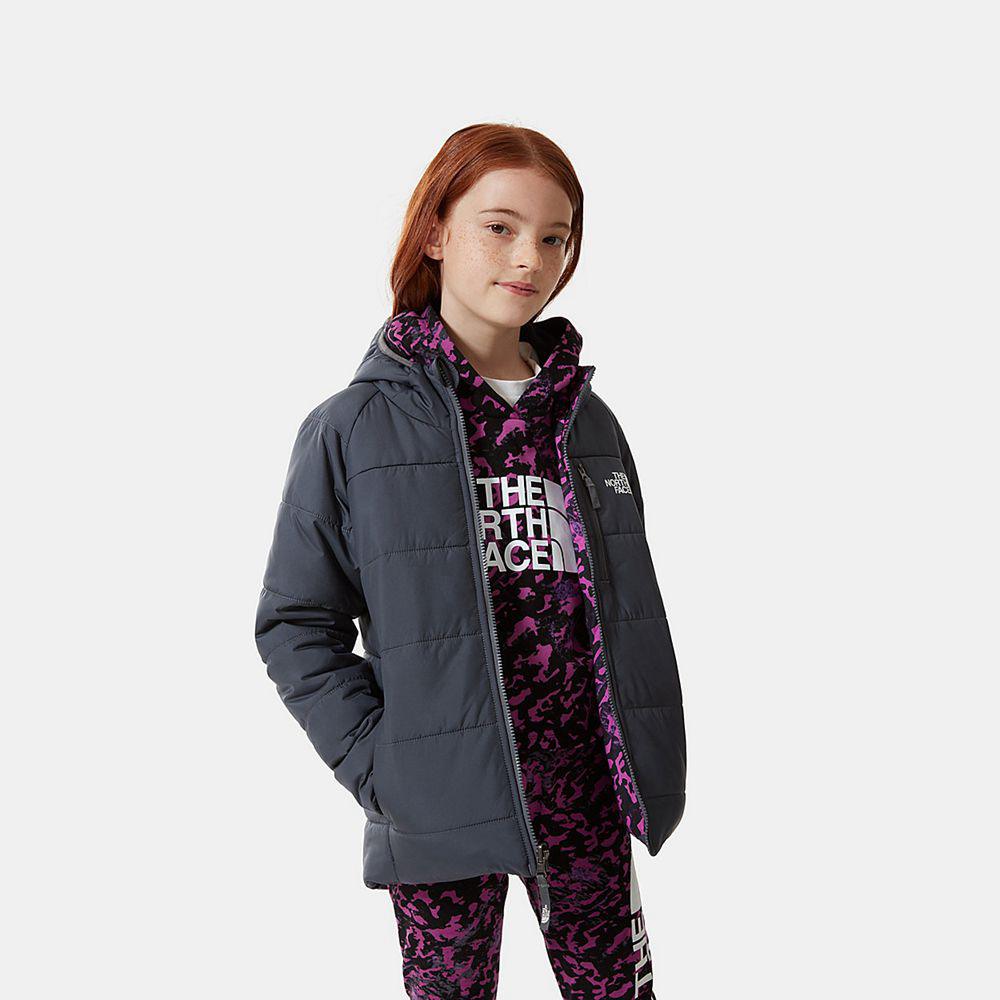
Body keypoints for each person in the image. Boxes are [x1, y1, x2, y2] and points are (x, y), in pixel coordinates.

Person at [254, 123, 686, 999]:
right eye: (499, 227)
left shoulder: (589, 423)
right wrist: (382, 766)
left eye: (555, 237)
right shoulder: (354, 428)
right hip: (440, 804)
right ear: (435, 233)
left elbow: (621, 611)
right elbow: (295, 623)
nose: (531, 258)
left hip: (586, 794)